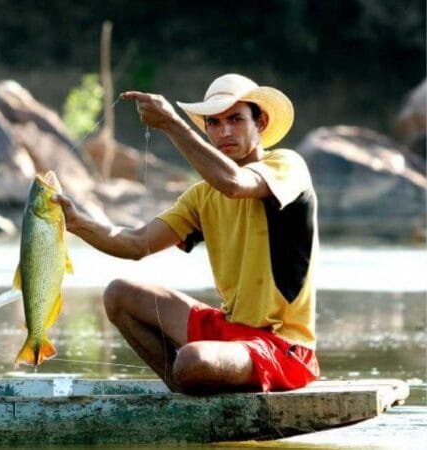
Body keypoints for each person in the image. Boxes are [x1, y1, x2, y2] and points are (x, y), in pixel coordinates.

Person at [52, 73, 319, 394]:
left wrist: (171, 124)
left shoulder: (287, 165)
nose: (225, 132)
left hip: (283, 349)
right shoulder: (201, 195)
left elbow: (235, 184)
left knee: (192, 360)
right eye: (214, 123)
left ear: (259, 123)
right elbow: (136, 244)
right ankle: (183, 391)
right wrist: (77, 223)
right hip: (230, 333)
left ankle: (191, 379)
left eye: (235, 119)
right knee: (119, 294)